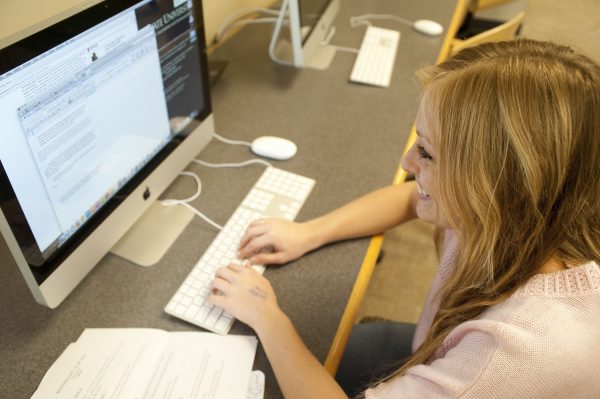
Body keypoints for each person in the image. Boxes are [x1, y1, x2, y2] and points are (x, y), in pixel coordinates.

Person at [208, 39, 600, 398]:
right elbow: (412, 199)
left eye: (427, 153)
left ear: (497, 183)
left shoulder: (507, 357)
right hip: (431, 345)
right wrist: (309, 232)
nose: (407, 162)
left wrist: (268, 318)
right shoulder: (520, 211)